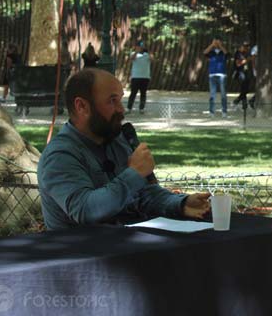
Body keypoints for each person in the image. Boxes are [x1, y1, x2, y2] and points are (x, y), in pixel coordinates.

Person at [37, 68, 210, 230]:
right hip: (80, 257)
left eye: (120, 100)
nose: (121, 109)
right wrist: (134, 173)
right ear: (82, 106)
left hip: (126, 249)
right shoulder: (60, 155)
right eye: (112, 101)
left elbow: (143, 194)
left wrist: (180, 204)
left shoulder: (117, 140)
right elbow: (86, 211)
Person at [204, 36, 228, 117]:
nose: (217, 43)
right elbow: (205, 53)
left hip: (222, 75)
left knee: (223, 94)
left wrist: (220, 45)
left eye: (218, 42)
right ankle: (211, 112)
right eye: (215, 42)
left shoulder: (223, 52)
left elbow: (227, 54)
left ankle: (224, 111)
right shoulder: (211, 52)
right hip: (212, 75)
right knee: (212, 95)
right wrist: (212, 45)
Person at [127, 40, 151, 114]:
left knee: (143, 93)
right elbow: (132, 59)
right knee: (133, 93)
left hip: (145, 77)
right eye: (139, 46)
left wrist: (148, 51)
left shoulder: (147, 55)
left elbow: (152, 59)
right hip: (136, 77)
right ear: (136, 47)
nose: (141, 47)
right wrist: (137, 51)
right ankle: (129, 108)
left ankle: (141, 108)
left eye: (142, 46)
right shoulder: (133, 53)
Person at [232, 41, 251, 110]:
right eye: (245, 47)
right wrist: (246, 60)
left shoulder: (245, 53)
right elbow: (238, 64)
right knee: (244, 89)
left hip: (245, 72)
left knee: (245, 89)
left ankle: (240, 103)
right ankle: (240, 103)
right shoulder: (238, 53)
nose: (246, 48)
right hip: (240, 72)